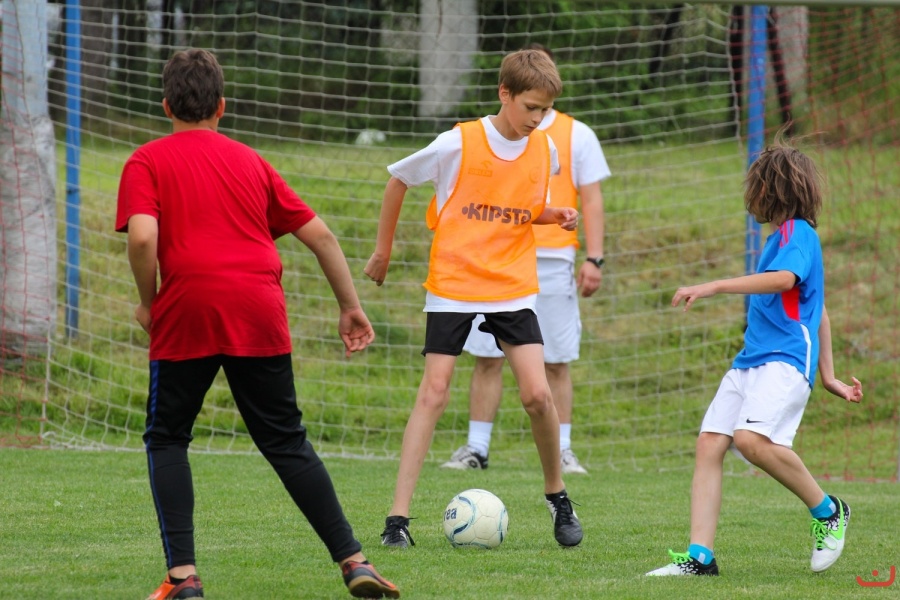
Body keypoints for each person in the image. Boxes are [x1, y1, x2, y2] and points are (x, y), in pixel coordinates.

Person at [116, 49, 399, 600]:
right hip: (258, 306)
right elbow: (322, 236)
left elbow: (143, 237)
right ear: (222, 106)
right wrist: (350, 306)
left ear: (166, 105)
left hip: (189, 306)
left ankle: (183, 578)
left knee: (168, 438)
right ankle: (354, 561)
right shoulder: (251, 162)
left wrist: (148, 302)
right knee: (287, 441)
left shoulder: (146, 161)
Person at [364, 48, 584, 549]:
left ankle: (557, 496)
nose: (537, 118)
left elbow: (521, 208)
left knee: (537, 395)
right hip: (454, 283)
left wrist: (554, 215)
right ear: (504, 93)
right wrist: (382, 251)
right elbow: (398, 179)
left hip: (512, 285)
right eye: (530, 107)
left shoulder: (544, 149)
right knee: (434, 391)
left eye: (545, 110)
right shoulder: (457, 142)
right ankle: (397, 520)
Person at [646, 141, 863, 577]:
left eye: (755, 185)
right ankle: (700, 559)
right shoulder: (776, 240)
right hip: (751, 360)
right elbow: (819, 310)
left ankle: (828, 511)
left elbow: (783, 281)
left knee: (749, 440)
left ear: (771, 189)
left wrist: (712, 286)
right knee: (710, 442)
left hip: (784, 358)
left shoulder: (798, 233)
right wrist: (829, 376)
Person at [442, 43, 610, 475]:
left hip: (552, 260)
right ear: (511, 89)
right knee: (487, 355)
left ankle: (564, 450)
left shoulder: (576, 134)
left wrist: (594, 258)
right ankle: (476, 448)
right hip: (494, 261)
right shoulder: (489, 135)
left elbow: (592, 198)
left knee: (555, 360)